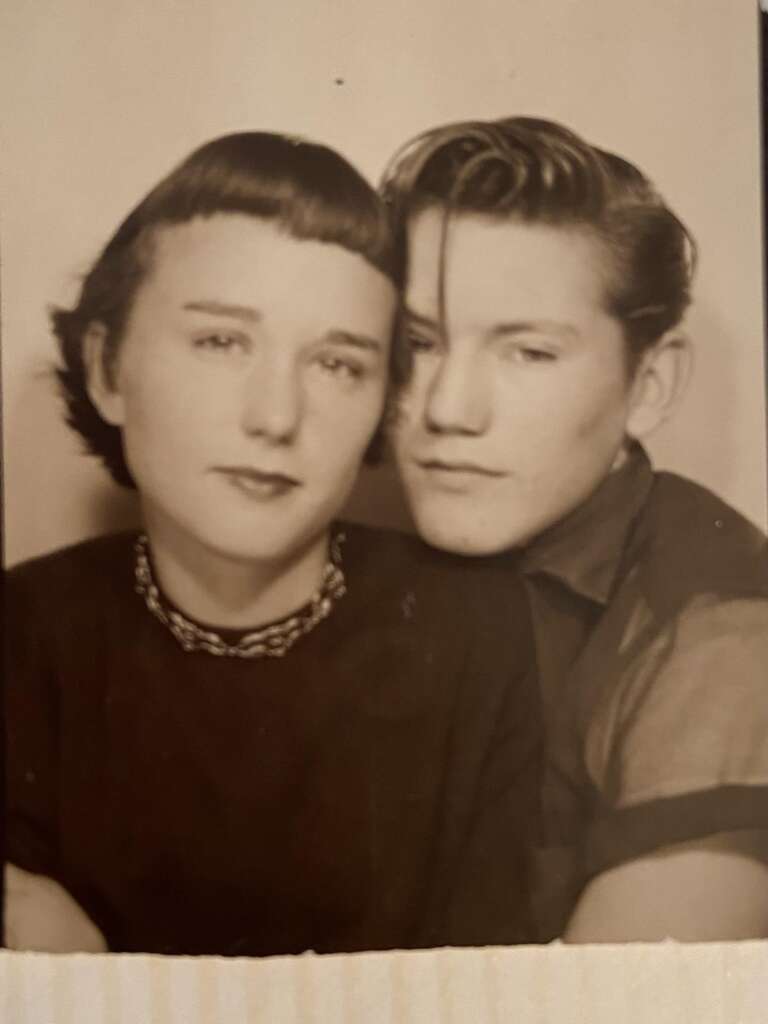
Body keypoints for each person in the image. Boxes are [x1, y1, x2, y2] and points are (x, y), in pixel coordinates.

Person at [4, 132, 540, 955]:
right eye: (221, 342)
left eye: (337, 364)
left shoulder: (481, 636)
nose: (276, 417)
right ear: (108, 369)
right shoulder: (21, 634)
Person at [380, 116, 768, 942]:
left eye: (528, 353)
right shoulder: (357, 531)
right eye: (417, 343)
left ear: (651, 384)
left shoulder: (723, 636)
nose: (448, 409)